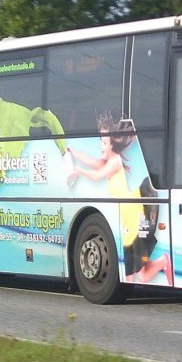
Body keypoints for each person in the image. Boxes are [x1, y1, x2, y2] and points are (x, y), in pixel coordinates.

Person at [66, 112, 173, 285]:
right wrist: (72, 151)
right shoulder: (108, 160)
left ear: (112, 144)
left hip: (134, 213)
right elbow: (91, 161)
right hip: (126, 216)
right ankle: (163, 262)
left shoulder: (114, 161)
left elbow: (96, 175)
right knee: (140, 276)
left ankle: (163, 262)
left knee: (132, 275)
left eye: (105, 141)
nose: (102, 145)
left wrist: (78, 171)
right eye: (101, 140)